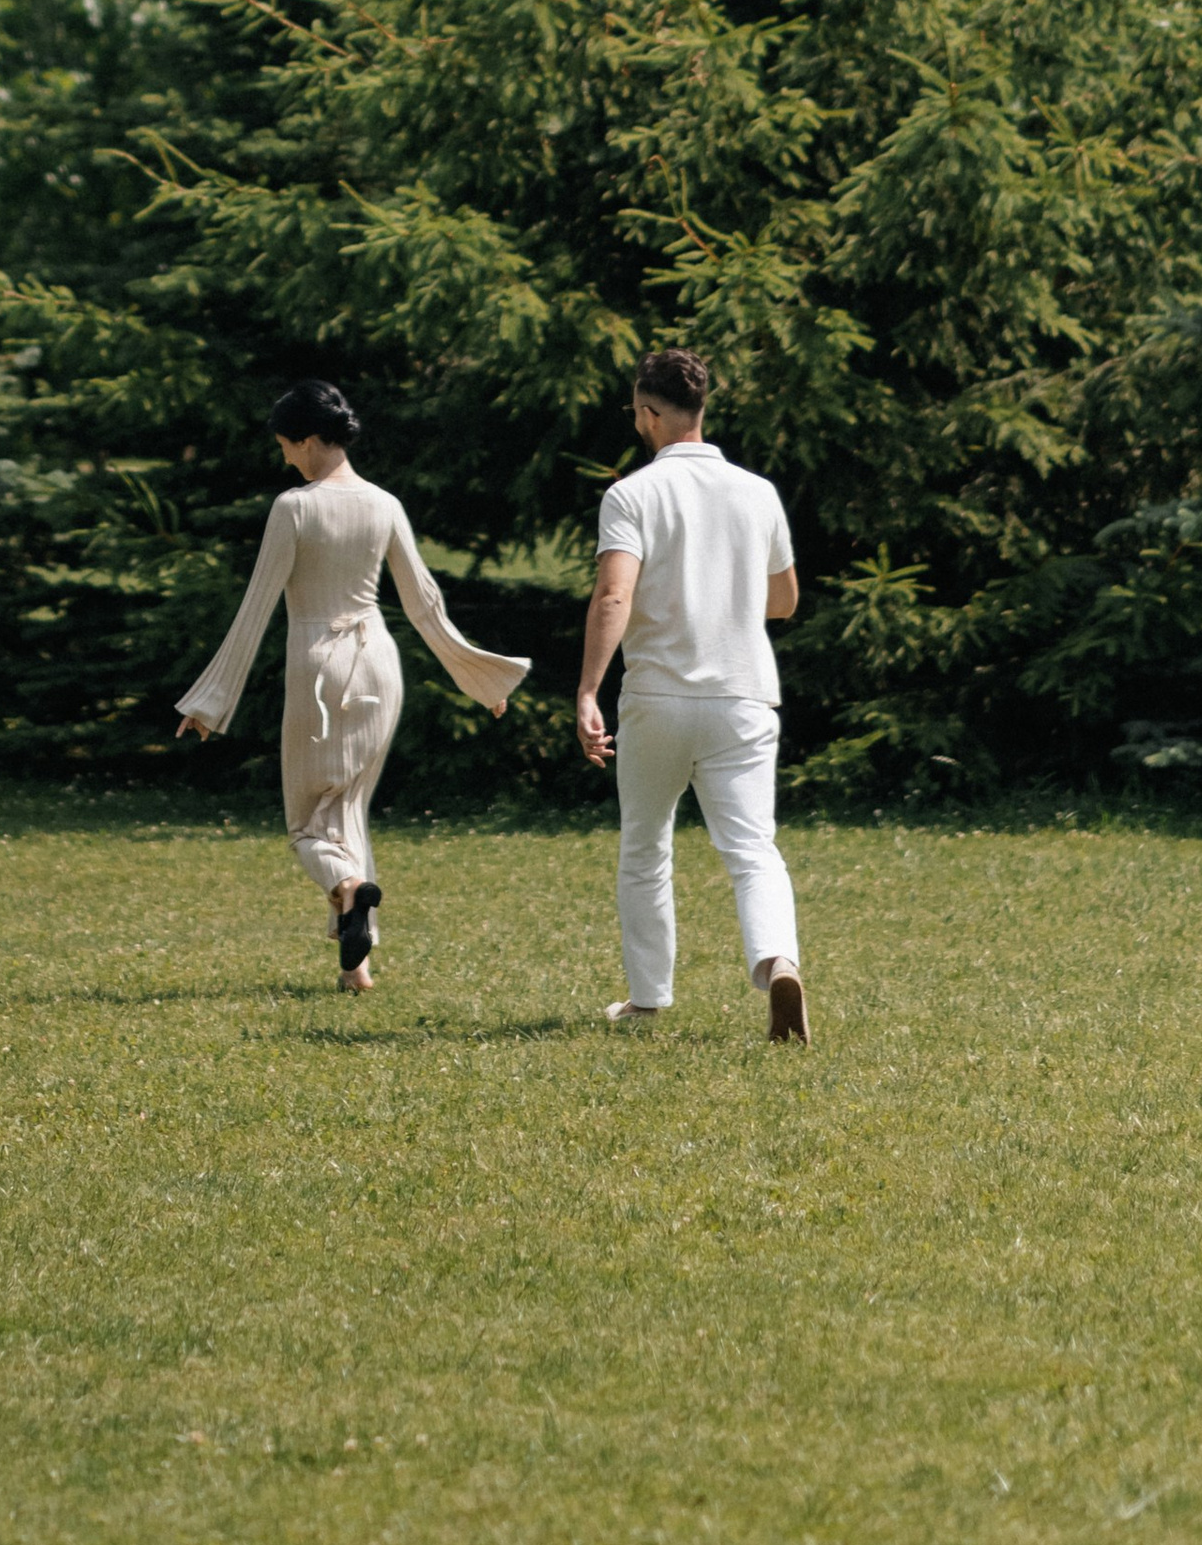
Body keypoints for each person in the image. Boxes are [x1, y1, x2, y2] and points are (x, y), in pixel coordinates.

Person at [175, 380, 531, 989]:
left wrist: (209, 701)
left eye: (286, 444)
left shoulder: (294, 507)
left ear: (309, 440)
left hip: (318, 665)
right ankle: (356, 968)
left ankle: (346, 886)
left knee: (308, 826)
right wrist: (482, 678)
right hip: (378, 663)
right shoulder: (384, 503)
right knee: (349, 812)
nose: (284, 456)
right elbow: (425, 604)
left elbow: (256, 606)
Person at [575, 346, 808, 1043]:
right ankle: (778, 961)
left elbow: (613, 594)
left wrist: (588, 688)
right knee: (753, 848)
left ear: (649, 413)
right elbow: (784, 601)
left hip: (659, 696)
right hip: (744, 695)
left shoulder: (631, 495)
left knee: (646, 848)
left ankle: (648, 999)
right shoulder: (758, 492)